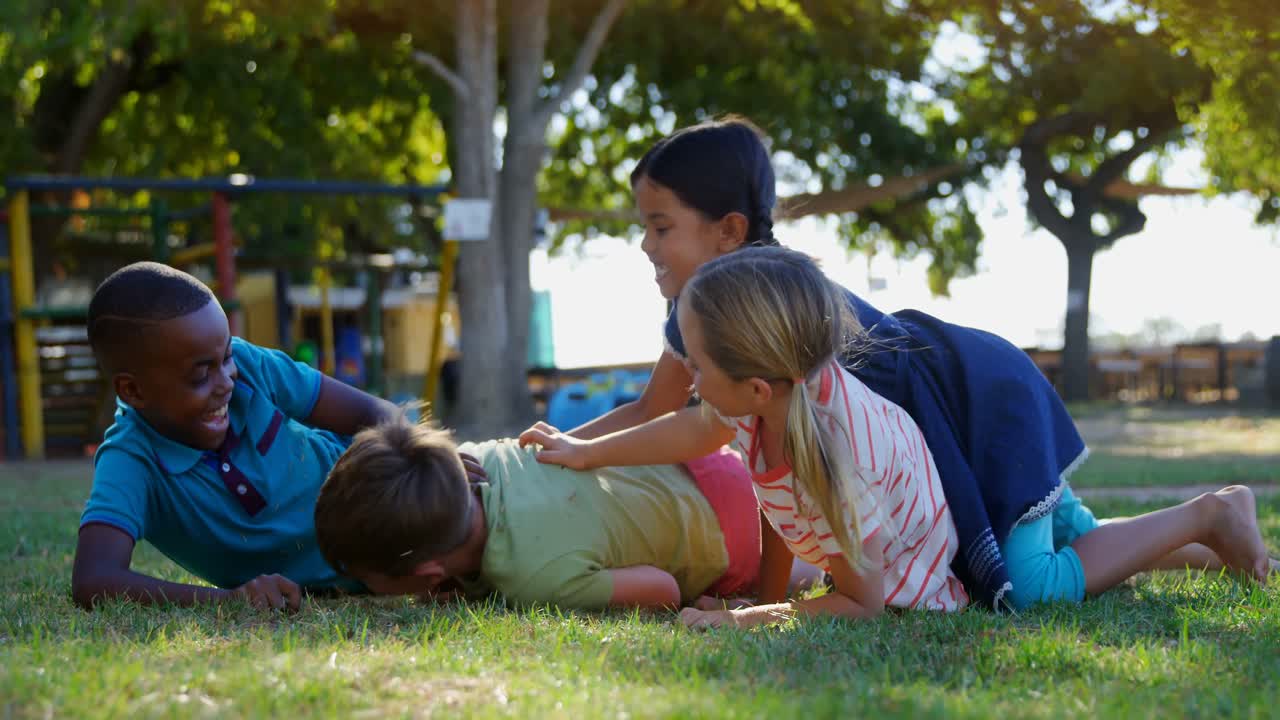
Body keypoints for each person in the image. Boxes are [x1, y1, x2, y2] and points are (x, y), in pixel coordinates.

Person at [533, 116, 1273, 611]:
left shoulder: (759, 312)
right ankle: (1202, 540)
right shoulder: (702, 318)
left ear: (729, 231)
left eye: (660, 226)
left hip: (971, 406)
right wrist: (576, 449)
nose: (644, 245)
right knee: (1063, 542)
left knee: (1027, 584)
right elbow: (672, 415)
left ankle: (1208, 510)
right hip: (931, 423)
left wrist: (586, 452)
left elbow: (698, 426)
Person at [71, 261, 405, 611]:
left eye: (226, 356)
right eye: (200, 376)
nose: (227, 380)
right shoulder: (132, 459)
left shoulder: (249, 367)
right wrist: (229, 600)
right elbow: (94, 578)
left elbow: (376, 413)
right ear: (133, 391)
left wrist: (424, 461)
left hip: (394, 496)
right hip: (371, 569)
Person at [312, 416, 823, 610]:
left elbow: (663, 590)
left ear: (426, 572)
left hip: (723, 532)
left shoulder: (534, 579)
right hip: (697, 459)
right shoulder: (472, 461)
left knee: (804, 574)